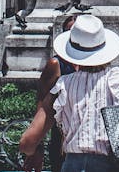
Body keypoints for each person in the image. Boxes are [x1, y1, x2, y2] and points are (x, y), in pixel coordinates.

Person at [19, 15, 119, 172]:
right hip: (115, 165)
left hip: (72, 166)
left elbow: (27, 142)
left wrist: (34, 152)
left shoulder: (62, 86)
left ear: (72, 51)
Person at [37, 15, 77, 172]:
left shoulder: (95, 66)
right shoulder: (56, 64)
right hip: (62, 138)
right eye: (69, 31)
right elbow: (42, 105)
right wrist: (37, 145)